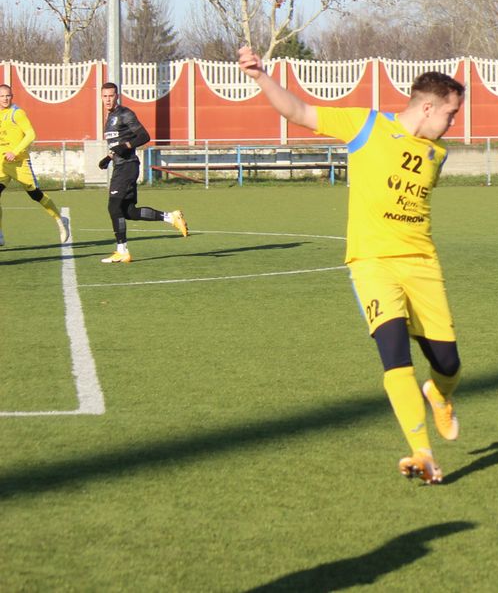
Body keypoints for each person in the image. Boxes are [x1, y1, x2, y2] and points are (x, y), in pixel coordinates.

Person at [238, 45, 464, 485]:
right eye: (451, 114)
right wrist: (260, 76)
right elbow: (299, 112)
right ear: (428, 107)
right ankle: (422, 452)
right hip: (372, 263)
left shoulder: (438, 154)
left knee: (449, 363)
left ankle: (439, 395)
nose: (453, 123)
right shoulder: (366, 125)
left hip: (422, 264)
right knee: (395, 357)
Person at [98, 82, 188, 263]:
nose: (108, 99)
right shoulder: (109, 118)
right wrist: (109, 157)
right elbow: (117, 144)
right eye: (105, 96)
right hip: (120, 166)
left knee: (113, 207)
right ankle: (171, 217)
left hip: (127, 167)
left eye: (111, 96)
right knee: (128, 211)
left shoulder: (125, 114)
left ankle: (122, 251)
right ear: (101, 97)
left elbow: (144, 136)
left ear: (117, 96)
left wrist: (126, 146)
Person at [0, 84, 70, 246]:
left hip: (19, 163)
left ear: (12, 96)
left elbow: (31, 134)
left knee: (35, 195)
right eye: (2, 96)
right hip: (2, 164)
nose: (5, 99)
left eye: (8, 95)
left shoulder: (17, 113)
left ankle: (60, 220)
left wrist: (15, 152)